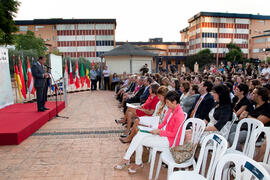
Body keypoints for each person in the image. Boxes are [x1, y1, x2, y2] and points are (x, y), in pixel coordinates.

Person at [114, 91, 185, 173]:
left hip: (170, 141)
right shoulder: (171, 109)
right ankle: (131, 160)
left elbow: (174, 134)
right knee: (139, 134)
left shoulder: (179, 115)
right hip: (163, 135)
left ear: (175, 102)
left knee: (138, 140)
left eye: (168, 103)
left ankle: (130, 160)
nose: (167, 105)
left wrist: (159, 132)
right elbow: (164, 123)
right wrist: (154, 128)